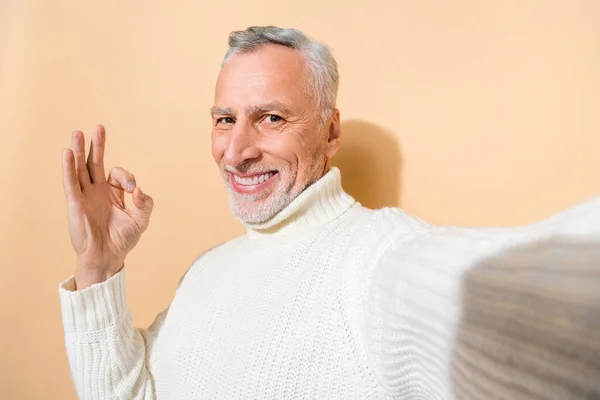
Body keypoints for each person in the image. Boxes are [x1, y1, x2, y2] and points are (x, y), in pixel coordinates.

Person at [58, 26, 600, 399]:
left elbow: (525, 304)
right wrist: (99, 267)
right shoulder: (205, 270)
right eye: (225, 119)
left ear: (331, 132)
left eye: (270, 118)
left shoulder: (375, 258)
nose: (236, 150)